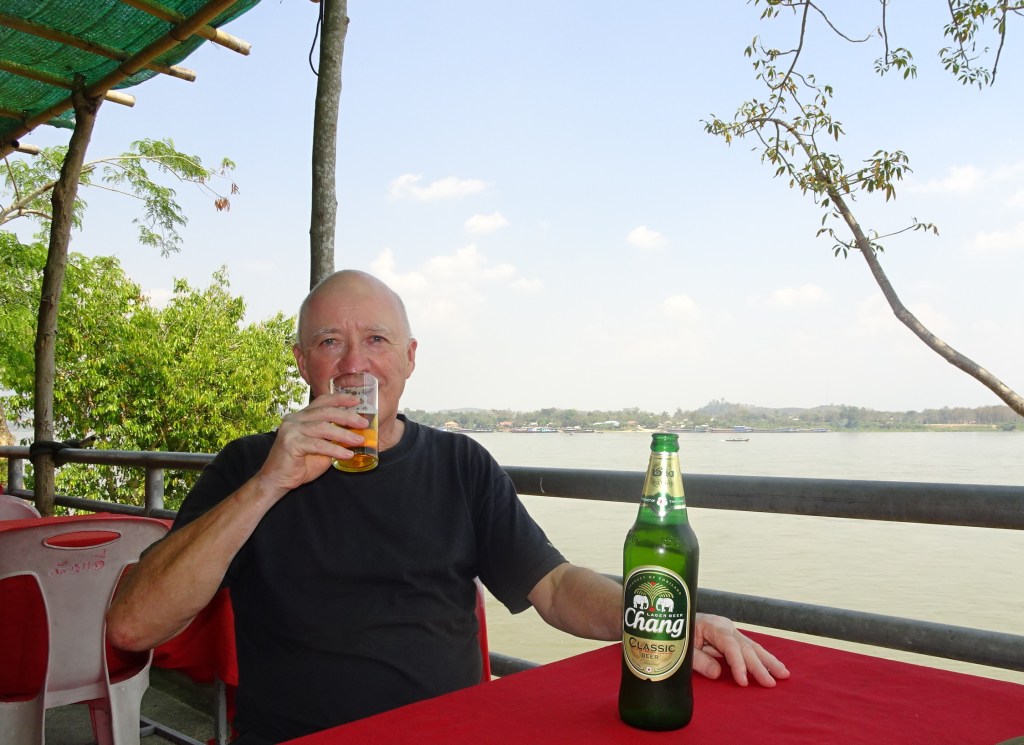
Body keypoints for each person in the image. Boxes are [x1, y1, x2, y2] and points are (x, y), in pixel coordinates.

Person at [106, 270, 789, 744]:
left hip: (454, 732)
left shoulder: (461, 465)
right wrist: (268, 484)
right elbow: (134, 624)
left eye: (376, 340)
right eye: (330, 341)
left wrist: (660, 621)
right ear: (302, 362)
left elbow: (553, 586)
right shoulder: (248, 465)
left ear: (409, 359)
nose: (354, 364)